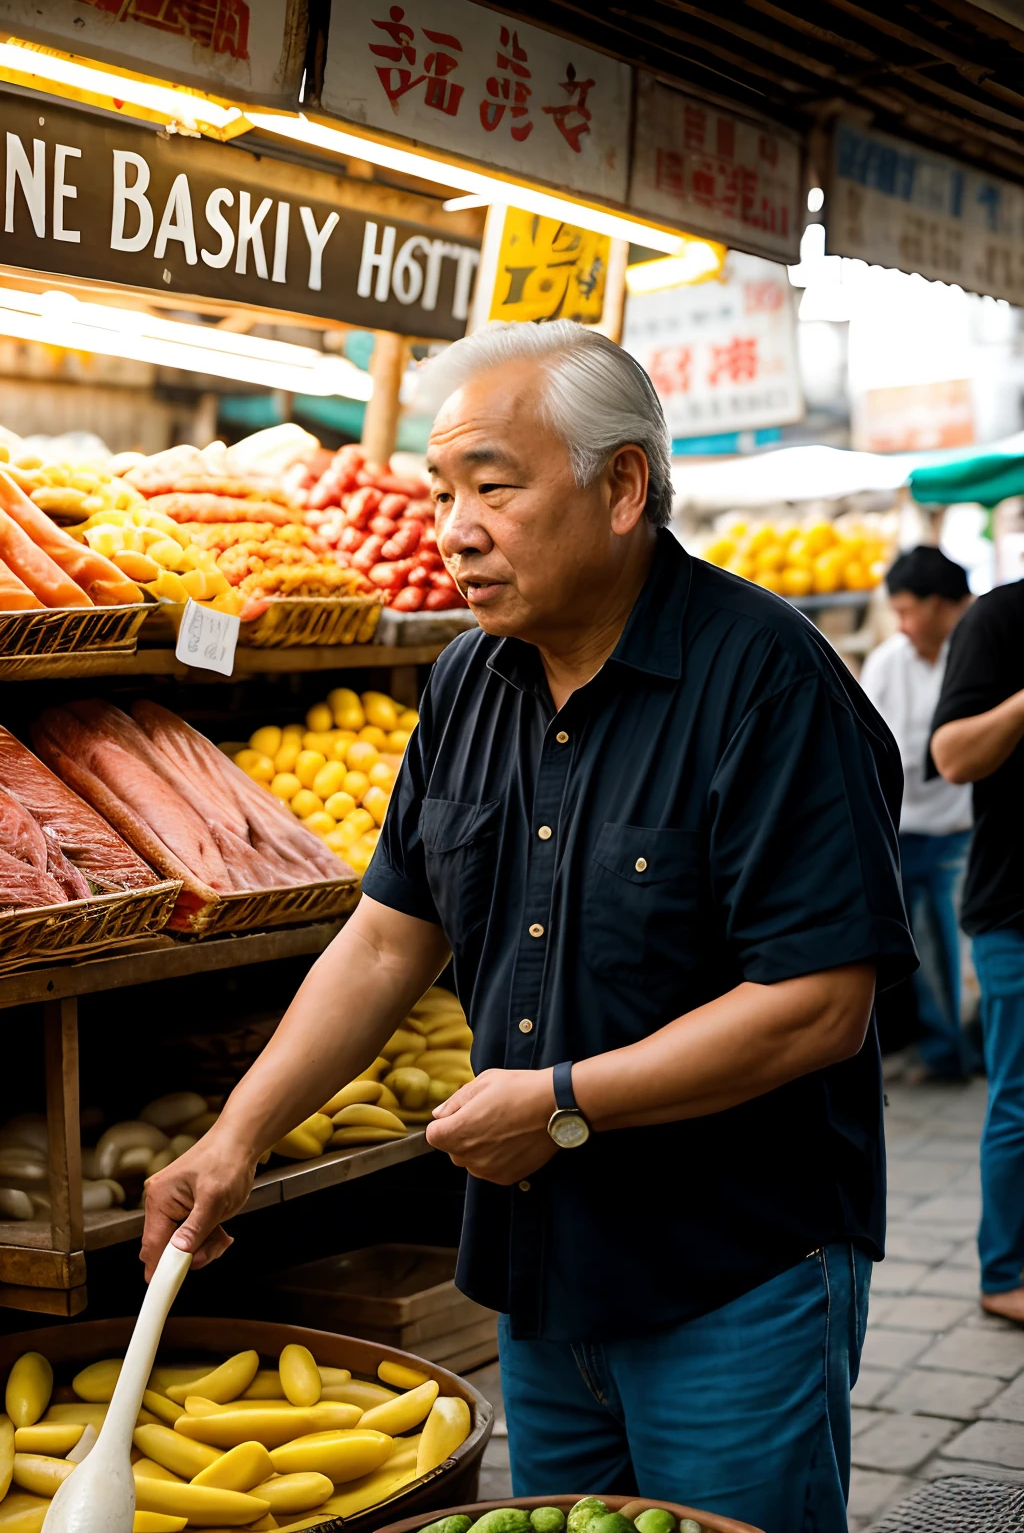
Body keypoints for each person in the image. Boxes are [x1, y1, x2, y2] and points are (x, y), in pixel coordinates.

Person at [141, 322, 916, 1533]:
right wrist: (238, 1139)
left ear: (621, 488)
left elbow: (817, 1006)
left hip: (731, 1271)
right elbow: (390, 938)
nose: (454, 526)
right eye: (443, 490)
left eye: (492, 488)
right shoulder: (465, 682)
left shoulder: (769, 685)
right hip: (538, 1274)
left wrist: (561, 1099)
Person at [930, 576, 1024, 1324]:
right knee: (1020, 1100)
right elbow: (954, 754)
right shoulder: (1000, 619)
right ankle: (1006, 1275)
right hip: (1015, 909)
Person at [860, 547, 973, 1080]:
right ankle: (922, 1048)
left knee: (947, 948)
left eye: (907, 611)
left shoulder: (973, 655)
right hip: (899, 834)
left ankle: (949, 1052)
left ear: (938, 606)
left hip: (956, 832)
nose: (902, 625)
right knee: (906, 952)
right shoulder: (887, 661)